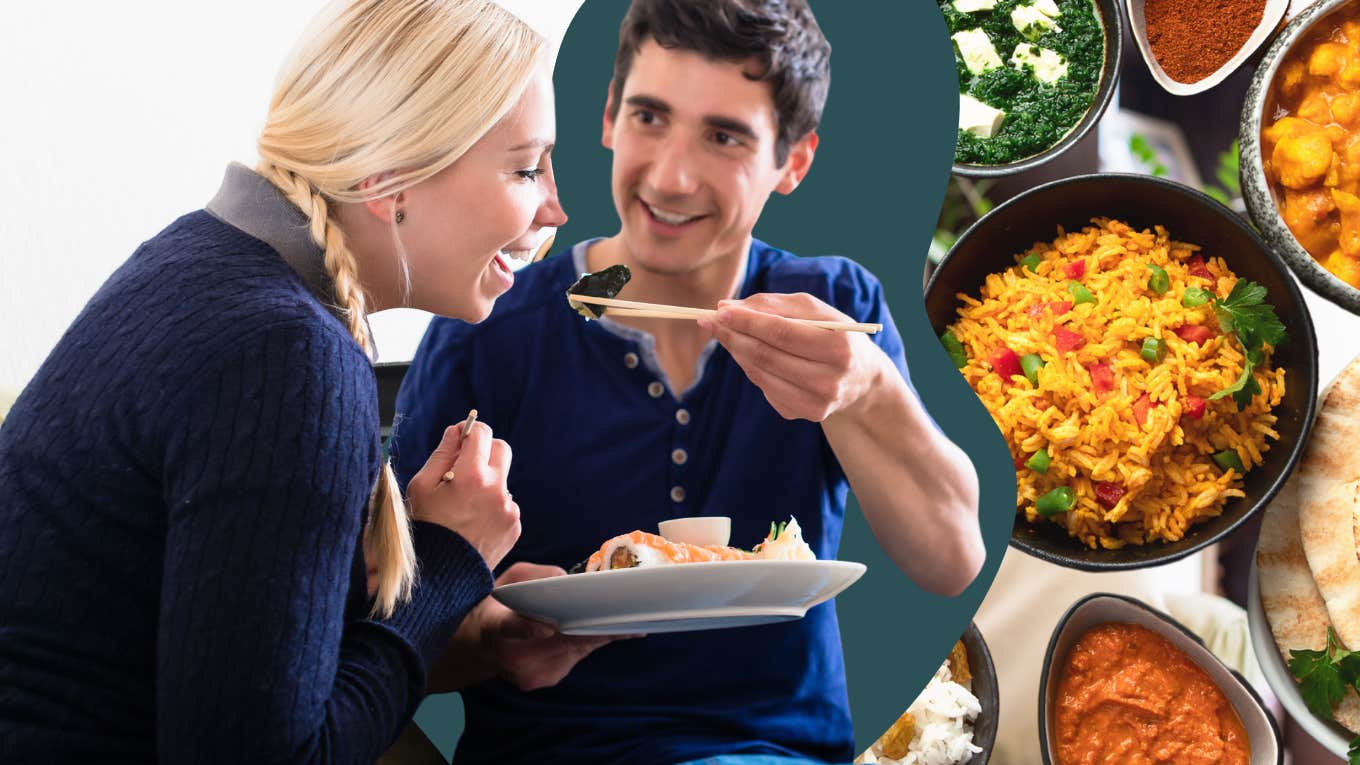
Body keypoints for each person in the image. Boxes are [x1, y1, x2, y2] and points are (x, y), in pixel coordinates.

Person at [392, 1, 984, 763]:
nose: (670, 177)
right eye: (649, 117)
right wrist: (487, 637)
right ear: (607, 116)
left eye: (725, 136)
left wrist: (868, 390)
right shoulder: (489, 324)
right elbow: (388, 639)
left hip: (776, 750)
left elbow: (951, 560)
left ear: (794, 161)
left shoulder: (837, 311)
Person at [0, 1, 566, 762]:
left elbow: (236, 673)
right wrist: (447, 562)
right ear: (393, 173)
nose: (556, 207)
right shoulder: (291, 359)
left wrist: (458, 625)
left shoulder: (199, 259)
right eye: (527, 167)